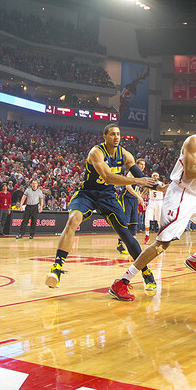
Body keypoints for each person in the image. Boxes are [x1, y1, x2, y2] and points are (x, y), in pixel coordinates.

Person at [110, 113, 196, 301]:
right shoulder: (192, 141)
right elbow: (190, 173)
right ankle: (122, 282)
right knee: (161, 245)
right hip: (180, 195)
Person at [47, 124, 158, 290]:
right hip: (88, 193)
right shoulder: (96, 152)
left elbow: (142, 177)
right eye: (112, 134)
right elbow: (107, 177)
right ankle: (57, 267)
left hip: (108, 196)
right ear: (105, 137)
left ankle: (146, 271)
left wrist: (160, 187)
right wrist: (136, 181)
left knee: (126, 235)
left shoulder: (125, 155)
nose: (116, 137)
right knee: (73, 220)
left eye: (118, 134)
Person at [143, 172, 164, 244]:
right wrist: (140, 197)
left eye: (156, 176)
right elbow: (144, 192)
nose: (155, 177)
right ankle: (147, 235)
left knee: (159, 220)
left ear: (158, 177)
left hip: (159, 202)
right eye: (153, 176)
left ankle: (161, 236)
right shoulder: (149, 184)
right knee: (147, 219)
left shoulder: (161, 184)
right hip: (151, 201)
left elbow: (167, 191)